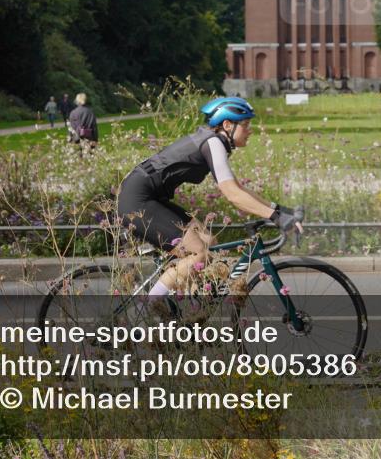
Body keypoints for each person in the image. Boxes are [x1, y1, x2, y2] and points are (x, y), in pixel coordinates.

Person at [117, 97, 303, 310]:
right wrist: (276, 218)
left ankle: (189, 312)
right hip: (137, 200)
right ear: (227, 125)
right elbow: (233, 195)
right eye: (246, 124)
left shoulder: (214, 142)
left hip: (151, 197)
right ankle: (144, 311)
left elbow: (239, 188)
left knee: (209, 241)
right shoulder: (212, 143)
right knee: (200, 253)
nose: (250, 130)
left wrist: (278, 209)